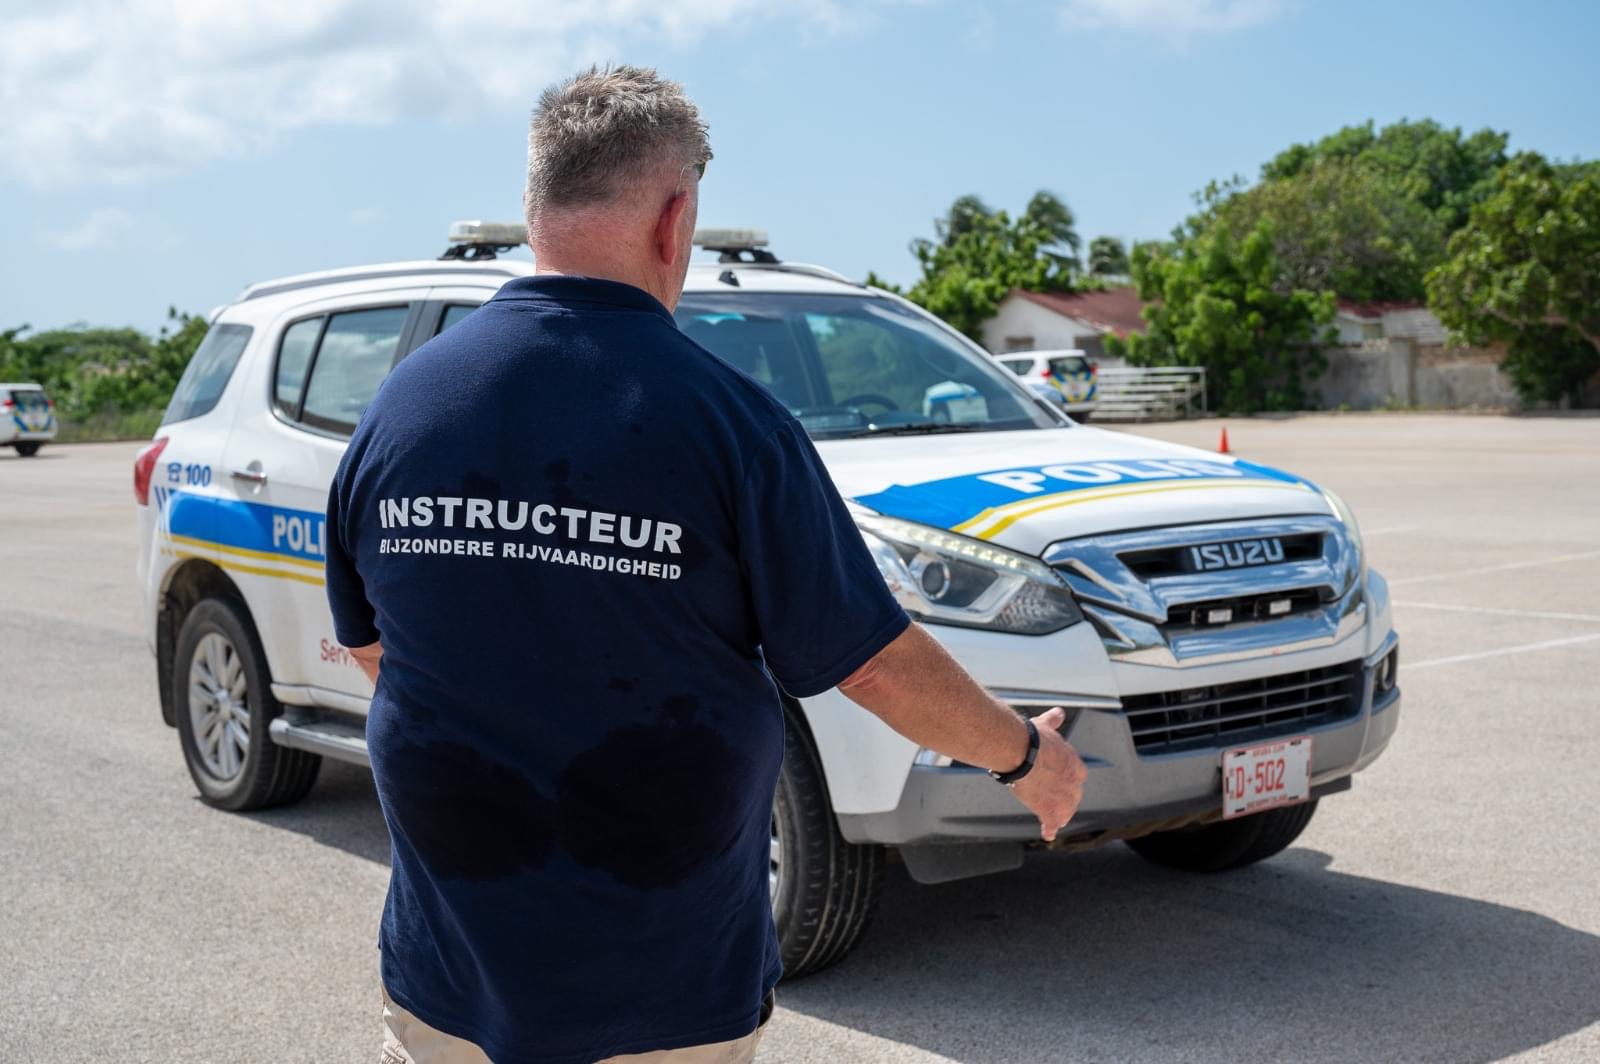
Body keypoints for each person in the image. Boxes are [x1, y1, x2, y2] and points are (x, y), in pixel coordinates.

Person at [325, 65, 1087, 1064]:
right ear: (675, 216)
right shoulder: (728, 421)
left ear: (533, 206)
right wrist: (1027, 757)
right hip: (659, 989)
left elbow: (376, 648)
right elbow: (870, 663)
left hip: (447, 975)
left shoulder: (401, 406)